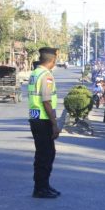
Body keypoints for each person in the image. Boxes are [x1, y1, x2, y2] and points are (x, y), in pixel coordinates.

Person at [28, 47, 61, 199]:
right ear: (52, 61)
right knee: (46, 155)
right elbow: (47, 101)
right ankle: (40, 188)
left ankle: (44, 185)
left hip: (36, 118)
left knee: (44, 153)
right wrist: (55, 124)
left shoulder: (35, 72)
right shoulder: (46, 76)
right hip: (43, 120)